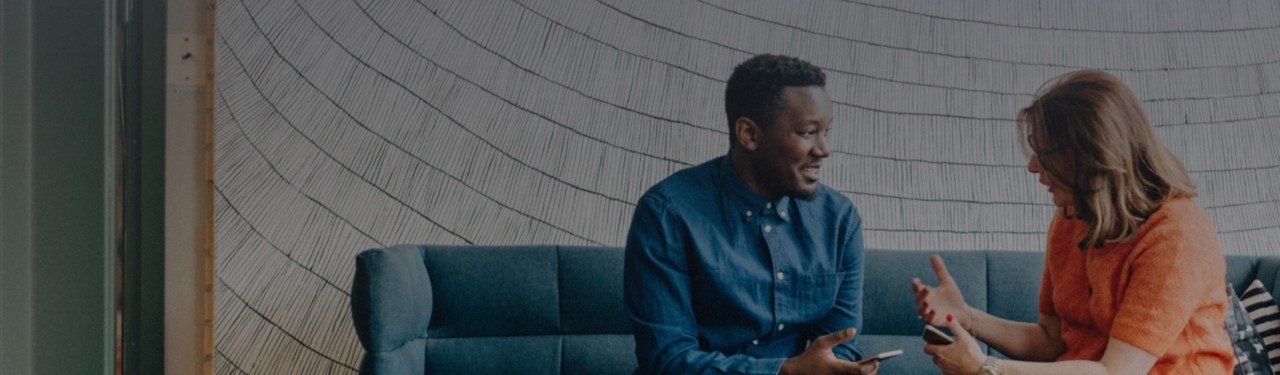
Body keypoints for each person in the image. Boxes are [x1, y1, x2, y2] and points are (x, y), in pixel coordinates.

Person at [911, 70, 1234, 374]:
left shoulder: (1176, 235)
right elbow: (1052, 342)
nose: (1033, 167)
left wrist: (988, 368)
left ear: (1095, 156)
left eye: (1047, 153)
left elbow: (1116, 371)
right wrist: (967, 317)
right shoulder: (1071, 217)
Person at [624, 54, 877, 375]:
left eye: (827, 131)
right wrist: (784, 371)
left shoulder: (840, 221)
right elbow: (666, 360)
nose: (824, 149)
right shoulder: (666, 214)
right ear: (750, 134)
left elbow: (838, 345)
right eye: (808, 132)